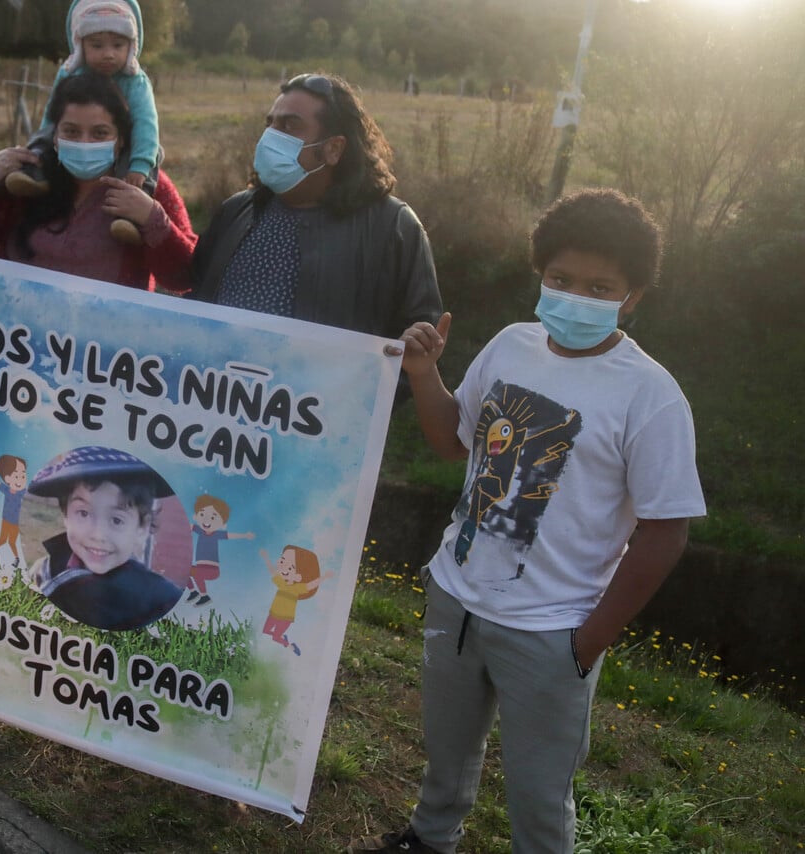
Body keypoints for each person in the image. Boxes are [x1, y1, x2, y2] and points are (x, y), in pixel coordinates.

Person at [349, 189, 706, 853]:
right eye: (560, 279)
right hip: (456, 599)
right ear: (540, 273)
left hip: (552, 631)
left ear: (632, 298)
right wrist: (424, 373)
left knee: (540, 794)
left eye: (599, 288)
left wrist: (588, 641)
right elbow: (453, 441)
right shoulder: (511, 345)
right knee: (445, 753)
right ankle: (429, 839)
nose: (574, 298)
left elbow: (666, 531)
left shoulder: (651, 396)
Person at [191, 73, 441, 342]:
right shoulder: (235, 212)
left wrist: (408, 356)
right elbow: (193, 305)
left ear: (333, 149)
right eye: (270, 124)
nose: (270, 136)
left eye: (289, 126)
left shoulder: (393, 228)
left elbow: (421, 339)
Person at [0, 72, 194, 294]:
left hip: (105, 346)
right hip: (12, 339)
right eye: (71, 131)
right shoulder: (25, 180)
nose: (84, 143)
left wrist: (152, 218)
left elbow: (185, 276)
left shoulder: (147, 187)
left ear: (121, 140)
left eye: (99, 133)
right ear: (54, 137)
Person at [5, 0, 160, 246]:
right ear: (80, 44)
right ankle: (35, 175)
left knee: (151, 158)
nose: (108, 54)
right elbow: (52, 116)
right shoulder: (69, 73)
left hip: (129, 147)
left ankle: (130, 219)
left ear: (132, 45)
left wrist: (139, 165)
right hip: (56, 148)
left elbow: (146, 124)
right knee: (42, 135)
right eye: (97, 45)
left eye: (118, 45)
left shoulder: (136, 82)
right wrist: (42, 146)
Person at [27, 446, 182, 632]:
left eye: (116, 520)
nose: (98, 535)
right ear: (65, 514)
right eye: (83, 513)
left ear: (142, 526)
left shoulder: (160, 601)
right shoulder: (43, 572)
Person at [260, 545, 332, 656]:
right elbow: (273, 571)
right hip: (273, 614)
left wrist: (324, 577)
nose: (284, 568)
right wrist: (266, 558)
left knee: (275, 637)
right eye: (282, 561)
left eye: (290, 568)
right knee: (265, 631)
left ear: (298, 577)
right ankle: (281, 637)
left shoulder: (297, 588)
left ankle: (291, 646)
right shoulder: (281, 583)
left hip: (285, 618)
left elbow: (310, 585)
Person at [186, 494, 254, 606]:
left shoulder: (217, 534)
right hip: (200, 567)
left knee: (197, 574)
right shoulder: (200, 530)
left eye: (213, 518)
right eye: (202, 514)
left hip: (212, 570)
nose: (207, 520)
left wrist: (245, 535)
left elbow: (230, 535)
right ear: (196, 516)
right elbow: (188, 526)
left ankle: (204, 596)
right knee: (184, 571)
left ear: (223, 524)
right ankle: (193, 592)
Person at [0, 454, 29, 568]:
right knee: (3, 539)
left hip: (16, 522)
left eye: (23, 476)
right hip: (6, 520)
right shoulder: (7, 490)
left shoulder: (23, 492)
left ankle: (16, 558)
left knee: (11, 541)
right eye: (16, 476)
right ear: (8, 479)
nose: (20, 480)